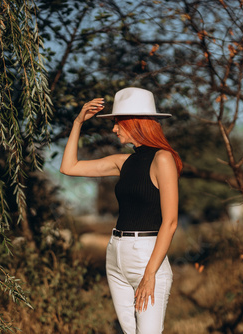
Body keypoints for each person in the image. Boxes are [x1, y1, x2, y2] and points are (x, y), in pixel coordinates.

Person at [60, 87, 182, 334]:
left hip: (147, 257)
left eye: (118, 123)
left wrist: (149, 275)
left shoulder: (163, 159)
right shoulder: (123, 162)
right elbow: (68, 167)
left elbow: (170, 222)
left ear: (136, 123)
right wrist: (77, 123)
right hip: (116, 253)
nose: (114, 129)